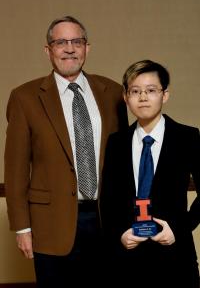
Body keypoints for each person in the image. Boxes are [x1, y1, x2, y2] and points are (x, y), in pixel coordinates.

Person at [4, 15, 128, 287]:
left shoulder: (113, 93)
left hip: (106, 220)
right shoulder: (25, 97)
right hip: (51, 225)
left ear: (87, 48)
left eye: (77, 41)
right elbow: (15, 168)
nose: (69, 48)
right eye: (60, 42)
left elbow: (123, 161)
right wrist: (22, 227)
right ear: (48, 50)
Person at [100, 59, 200, 287]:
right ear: (126, 97)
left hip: (174, 254)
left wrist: (179, 229)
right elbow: (108, 199)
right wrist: (119, 234)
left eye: (151, 90)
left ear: (164, 95)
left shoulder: (187, 137)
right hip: (127, 256)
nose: (143, 97)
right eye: (135, 91)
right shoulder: (116, 142)